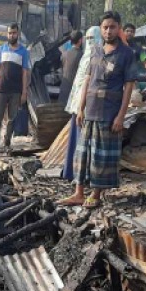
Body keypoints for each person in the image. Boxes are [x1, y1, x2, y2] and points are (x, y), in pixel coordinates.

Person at [61, 11, 138, 209]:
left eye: (112, 27)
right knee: (82, 154)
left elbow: (129, 86)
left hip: (109, 113)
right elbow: (87, 79)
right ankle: (78, 193)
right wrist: (80, 108)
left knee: (101, 157)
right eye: (105, 27)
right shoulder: (95, 50)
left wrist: (121, 115)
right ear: (101, 29)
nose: (108, 31)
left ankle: (95, 194)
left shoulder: (126, 54)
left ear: (118, 28)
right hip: (90, 111)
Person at [61, 26, 100, 182]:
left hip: (86, 106)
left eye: (93, 38)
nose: (91, 42)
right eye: (88, 39)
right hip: (80, 106)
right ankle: (75, 174)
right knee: (79, 142)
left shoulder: (94, 57)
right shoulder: (87, 57)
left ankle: (79, 175)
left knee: (82, 142)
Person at [0, 23, 30, 154]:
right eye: (9, 33)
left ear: (18, 34)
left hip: (15, 90)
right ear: (7, 35)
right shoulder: (2, 49)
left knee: (11, 119)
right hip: (1, 89)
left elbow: (24, 72)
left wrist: (24, 92)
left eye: (14, 33)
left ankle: (7, 144)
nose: (11, 35)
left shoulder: (23, 52)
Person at [58, 30, 84, 105]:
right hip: (75, 91)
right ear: (80, 40)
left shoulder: (64, 54)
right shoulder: (82, 55)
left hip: (64, 89)